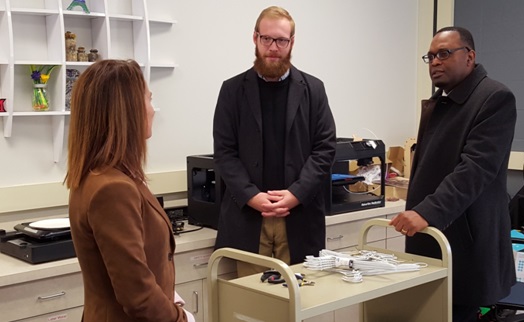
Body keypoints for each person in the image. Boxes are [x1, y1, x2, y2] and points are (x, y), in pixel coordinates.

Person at [389, 26, 517, 322]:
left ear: (469, 56)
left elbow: (475, 168)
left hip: (464, 243)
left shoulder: (494, 98)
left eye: (444, 54)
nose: (435, 61)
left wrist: (427, 211)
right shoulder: (439, 102)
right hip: (431, 236)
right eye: (431, 56)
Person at [65, 60, 194, 322]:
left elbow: (136, 269)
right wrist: (182, 319)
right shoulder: (112, 188)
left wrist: (168, 293)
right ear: (127, 110)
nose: (153, 110)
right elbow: (137, 296)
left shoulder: (102, 176)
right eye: (148, 100)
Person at [213, 6, 336, 276]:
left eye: (281, 40)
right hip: (249, 218)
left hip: (298, 216)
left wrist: (295, 194)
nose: (273, 47)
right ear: (255, 38)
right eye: (266, 38)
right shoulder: (232, 90)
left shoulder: (314, 90)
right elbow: (224, 152)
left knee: (299, 304)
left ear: (291, 42)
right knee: (253, 307)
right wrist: (251, 196)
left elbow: (325, 149)